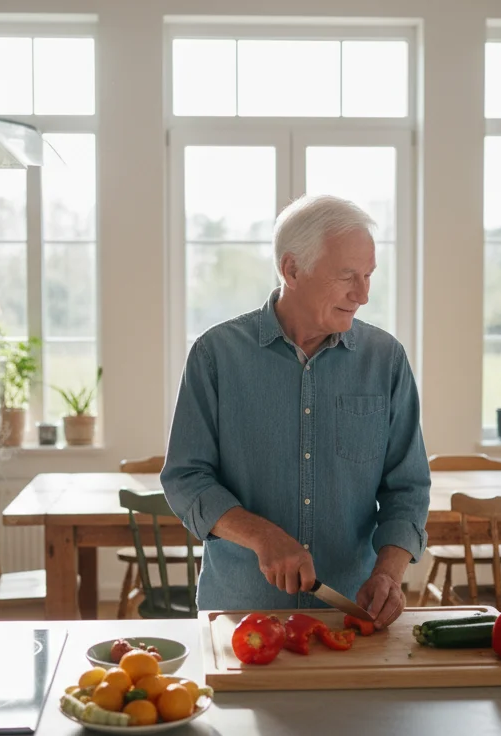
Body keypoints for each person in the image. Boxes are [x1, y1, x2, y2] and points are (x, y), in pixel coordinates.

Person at [161, 194, 431, 629]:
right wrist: (262, 536)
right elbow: (185, 478)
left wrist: (389, 573)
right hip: (240, 615)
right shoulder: (216, 356)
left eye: (368, 276)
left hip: (352, 618)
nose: (362, 294)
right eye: (347, 276)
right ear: (291, 269)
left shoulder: (386, 360)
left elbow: (409, 488)